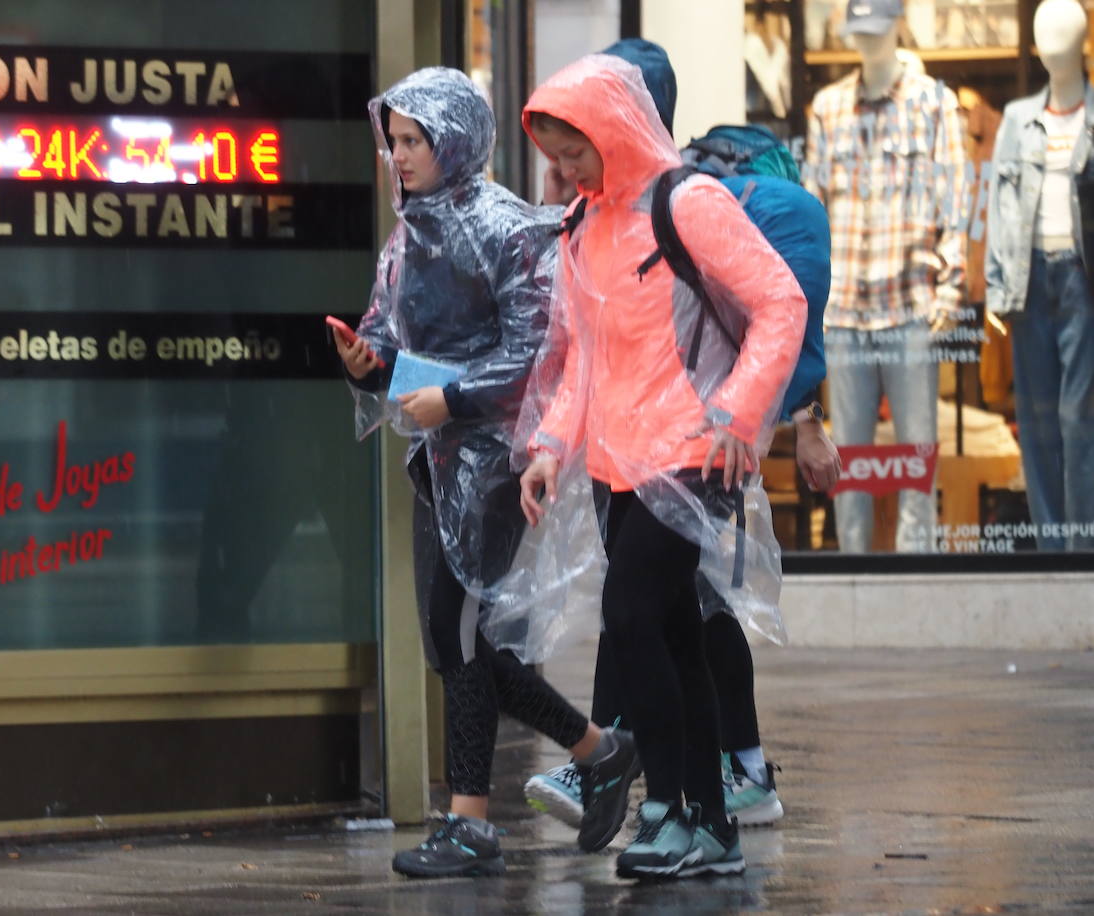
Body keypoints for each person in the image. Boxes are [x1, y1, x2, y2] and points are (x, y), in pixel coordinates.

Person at [522, 38, 838, 836]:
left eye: (576, 153)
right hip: (614, 462)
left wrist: (738, 411)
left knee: (630, 615)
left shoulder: (688, 202)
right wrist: (551, 449)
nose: (568, 173)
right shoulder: (583, 227)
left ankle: (665, 805)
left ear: (618, 130)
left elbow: (780, 306)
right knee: (673, 630)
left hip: (695, 453)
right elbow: (585, 362)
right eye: (556, 159)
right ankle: (709, 824)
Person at [335, 66, 639, 880]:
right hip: (438, 459)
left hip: (496, 461)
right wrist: (369, 364)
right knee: (452, 637)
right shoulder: (410, 236)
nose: (398, 155)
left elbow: (538, 350)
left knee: (458, 632)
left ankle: (472, 820)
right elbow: (389, 339)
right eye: (392, 140)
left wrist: (454, 398)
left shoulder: (505, 228)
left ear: (454, 138)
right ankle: (599, 751)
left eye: (412, 140)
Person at [802, 0, 967, 553]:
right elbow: (813, 210)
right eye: (859, 32)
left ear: (898, 25)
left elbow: (955, 200)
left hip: (910, 305)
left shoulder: (934, 104)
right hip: (845, 308)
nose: (866, 43)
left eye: (876, 30)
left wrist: (951, 283)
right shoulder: (827, 109)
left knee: (918, 450)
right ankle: (853, 565)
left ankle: (918, 565)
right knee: (845, 453)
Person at [986, 0, 1094, 551]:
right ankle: (1054, 547)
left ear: (1082, 42)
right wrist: (996, 284)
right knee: (1036, 419)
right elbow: (998, 203)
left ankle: (1082, 546)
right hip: (1029, 278)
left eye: (1064, 32)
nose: (1053, 43)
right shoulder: (1016, 119)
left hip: (1081, 278)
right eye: (1045, 33)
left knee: (1079, 418)